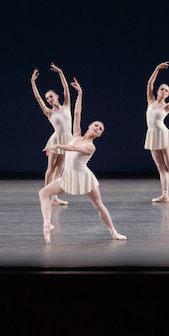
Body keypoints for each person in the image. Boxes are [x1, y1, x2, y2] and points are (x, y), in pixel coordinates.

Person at [37, 78, 126, 244]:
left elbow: (72, 148)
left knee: (99, 205)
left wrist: (57, 145)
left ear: (99, 135)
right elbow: (77, 113)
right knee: (43, 193)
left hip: (84, 177)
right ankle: (47, 224)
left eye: (100, 129)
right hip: (68, 177)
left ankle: (114, 232)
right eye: (96, 125)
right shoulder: (76, 134)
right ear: (89, 126)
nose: (97, 128)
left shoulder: (91, 147)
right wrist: (80, 93)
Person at [31, 63, 72, 206]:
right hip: (56, 140)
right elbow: (38, 98)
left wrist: (60, 72)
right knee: (51, 169)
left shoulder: (67, 106)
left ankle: (54, 198)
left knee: (60, 169)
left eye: (51, 97)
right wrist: (33, 82)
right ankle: (45, 196)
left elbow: (66, 88)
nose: (49, 99)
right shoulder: (49, 112)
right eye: (47, 98)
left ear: (57, 96)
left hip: (68, 140)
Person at [144, 62, 169, 202]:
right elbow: (149, 83)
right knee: (161, 167)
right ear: (158, 91)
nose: (164, 91)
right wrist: (156, 69)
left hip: (163, 135)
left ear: (168, 94)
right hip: (152, 135)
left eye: (166, 91)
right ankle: (165, 194)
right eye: (162, 89)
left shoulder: (167, 106)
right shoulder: (150, 101)